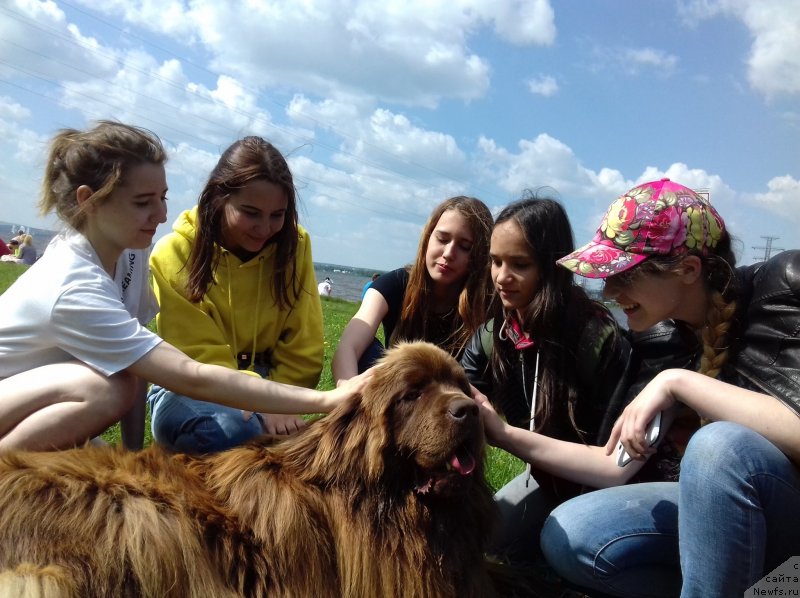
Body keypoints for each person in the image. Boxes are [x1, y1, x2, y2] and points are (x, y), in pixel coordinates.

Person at [0, 121, 363, 453]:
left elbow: (136, 367)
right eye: (143, 202)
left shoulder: (130, 253)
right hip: (19, 396)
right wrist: (325, 400)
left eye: (163, 198)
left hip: (38, 401)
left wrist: (132, 454)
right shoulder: (73, 285)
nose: (161, 215)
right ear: (88, 200)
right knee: (107, 390)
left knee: (116, 411)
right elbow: (192, 374)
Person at [526, 178, 800, 597]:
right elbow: (612, 465)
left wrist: (678, 383)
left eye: (625, 275)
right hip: (738, 535)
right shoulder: (665, 335)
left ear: (689, 269)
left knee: (718, 448)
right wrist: (500, 431)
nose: (610, 292)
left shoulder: (780, 288)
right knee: (576, 534)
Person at [460, 195, 629, 566]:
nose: (502, 277)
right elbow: (455, 385)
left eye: (519, 264)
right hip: (544, 481)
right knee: (477, 545)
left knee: (559, 550)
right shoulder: (497, 334)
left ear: (552, 267)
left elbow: (615, 461)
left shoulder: (595, 338)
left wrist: (503, 434)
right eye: (495, 261)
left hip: (604, 489)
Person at [147, 136, 325, 454]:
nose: (265, 227)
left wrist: (277, 399)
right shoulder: (173, 252)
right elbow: (197, 357)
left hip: (271, 382)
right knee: (234, 431)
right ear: (219, 197)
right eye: (251, 212)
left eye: (277, 214)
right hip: (189, 386)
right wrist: (261, 401)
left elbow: (304, 346)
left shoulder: (295, 245)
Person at [332, 195, 493, 381]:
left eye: (465, 247)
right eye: (442, 239)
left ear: (480, 255)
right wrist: (347, 394)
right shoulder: (394, 283)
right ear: (428, 238)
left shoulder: (488, 305)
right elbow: (348, 347)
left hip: (454, 398)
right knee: (367, 350)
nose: (448, 254)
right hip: (400, 391)